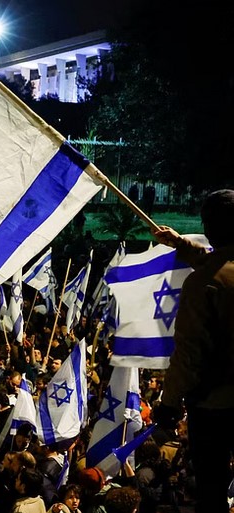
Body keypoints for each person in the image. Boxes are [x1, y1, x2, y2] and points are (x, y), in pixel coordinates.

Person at [153, 189, 234, 513]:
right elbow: (222, 263)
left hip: (215, 406)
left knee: (212, 488)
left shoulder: (202, 285)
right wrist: (181, 244)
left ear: (210, 226)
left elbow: (188, 354)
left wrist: (169, 404)